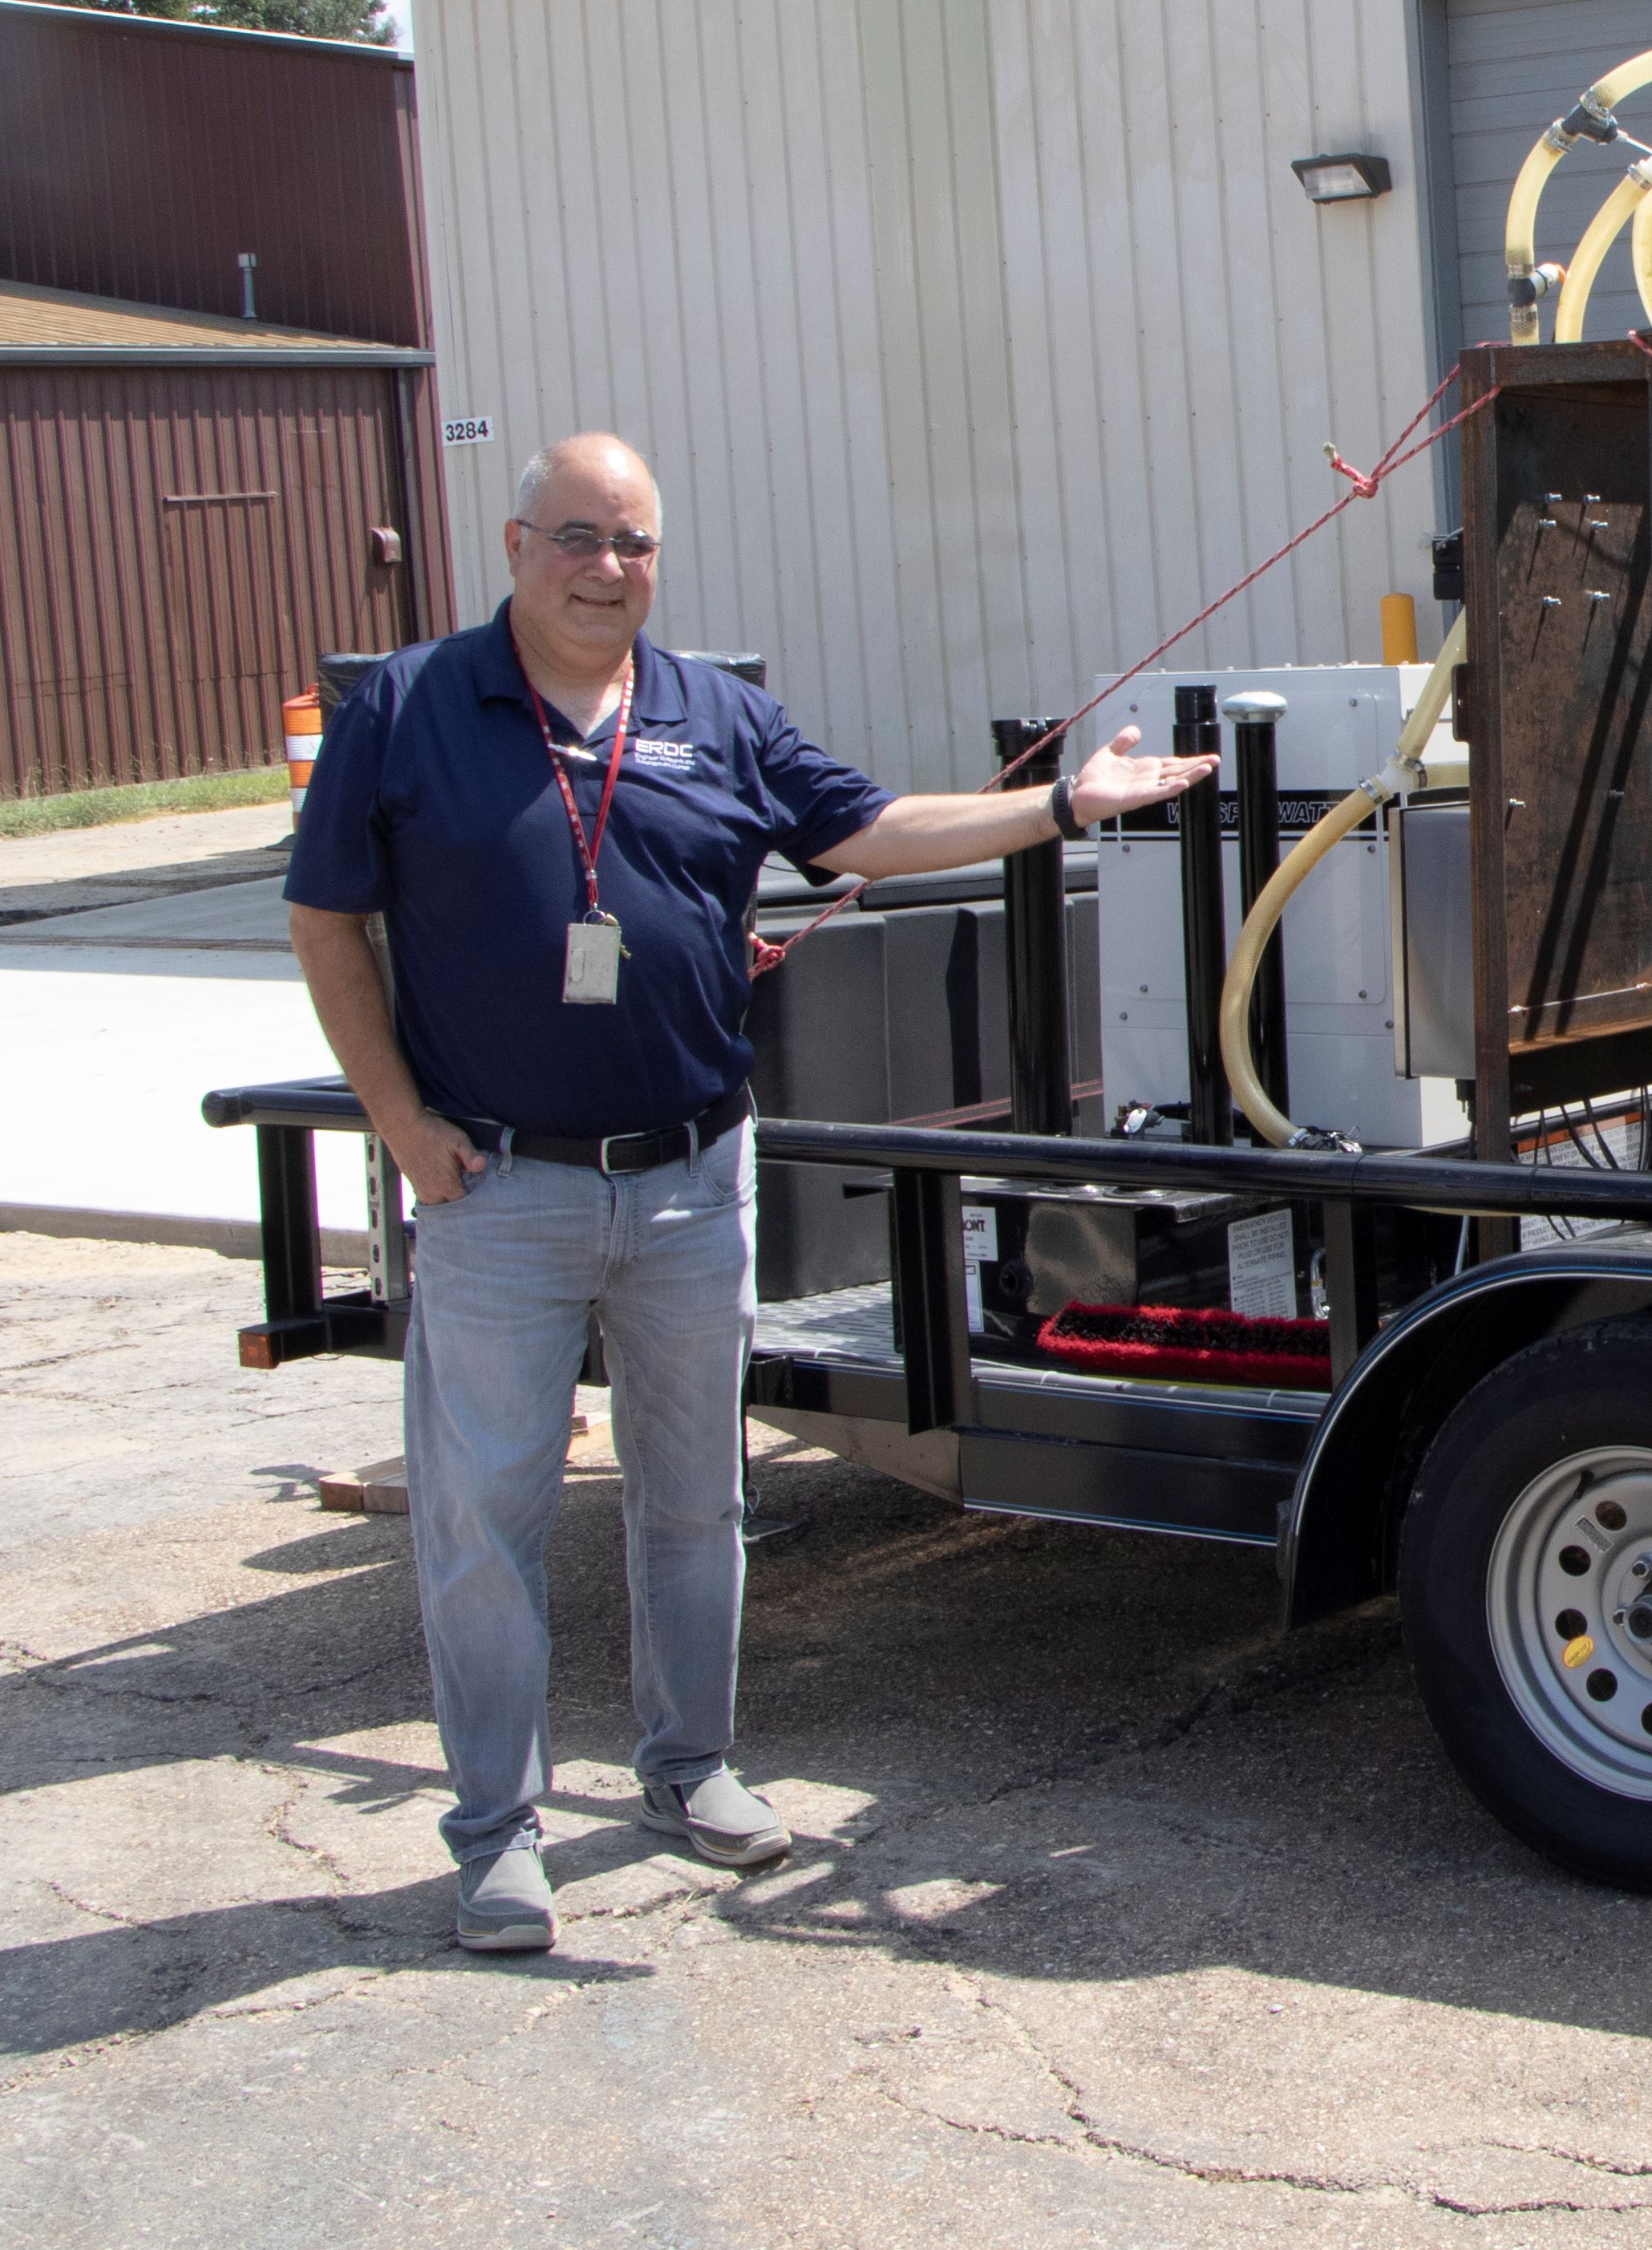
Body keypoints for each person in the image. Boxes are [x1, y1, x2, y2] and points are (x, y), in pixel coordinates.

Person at [286, 432, 1215, 1954]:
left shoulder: (715, 714)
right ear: (516, 545)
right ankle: (496, 1836)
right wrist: (400, 1126)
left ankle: (690, 1770)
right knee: (484, 1520)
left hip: (689, 1180)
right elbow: (327, 922)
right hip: (496, 1188)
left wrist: (1063, 806)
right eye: (577, 537)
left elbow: (869, 833)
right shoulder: (406, 708)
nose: (606, 569)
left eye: (634, 542)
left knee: (696, 1501)